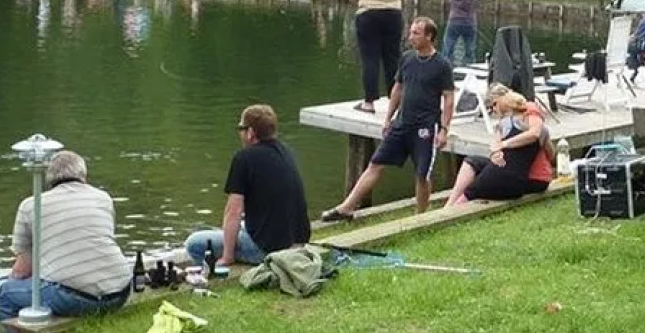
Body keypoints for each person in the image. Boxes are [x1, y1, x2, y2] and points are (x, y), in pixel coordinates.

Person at [0, 151, 131, 333]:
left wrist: (14, 282)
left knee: (7, 293)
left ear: (50, 178)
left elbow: (23, 269)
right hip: (119, 291)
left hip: (79, 301)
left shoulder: (31, 205)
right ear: (83, 174)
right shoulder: (103, 198)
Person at [322, 16, 455, 217]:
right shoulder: (407, 58)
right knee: (375, 164)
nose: (411, 37)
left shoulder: (442, 65)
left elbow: (448, 99)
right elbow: (397, 89)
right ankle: (346, 207)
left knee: (421, 174)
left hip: (425, 127)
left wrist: (444, 129)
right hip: (401, 124)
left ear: (429, 36)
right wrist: (388, 119)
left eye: (416, 33)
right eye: (410, 32)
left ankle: (421, 216)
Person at [183, 104, 311, 269]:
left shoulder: (244, 159)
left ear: (250, 133)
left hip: (267, 250)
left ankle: (206, 274)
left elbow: (233, 211)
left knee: (194, 243)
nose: (240, 133)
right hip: (297, 242)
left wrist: (227, 257)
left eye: (241, 128)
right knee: (241, 226)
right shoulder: (287, 151)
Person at [444, 84, 553, 206]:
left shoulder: (529, 111)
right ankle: (450, 203)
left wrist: (504, 144)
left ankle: (456, 206)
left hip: (533, 175)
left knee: (478, 186)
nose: (493, 111)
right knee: (472, 162)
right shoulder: (503, 123)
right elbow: (495, 146)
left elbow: (536, 134)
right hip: (512, 168)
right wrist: (496, 152)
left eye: (493, 106)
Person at [347, 0, 404, 114]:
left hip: (368, 15)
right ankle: (395, 100)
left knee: (370, 58)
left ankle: (369, 102)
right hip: (393, 14)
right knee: (392, 58)